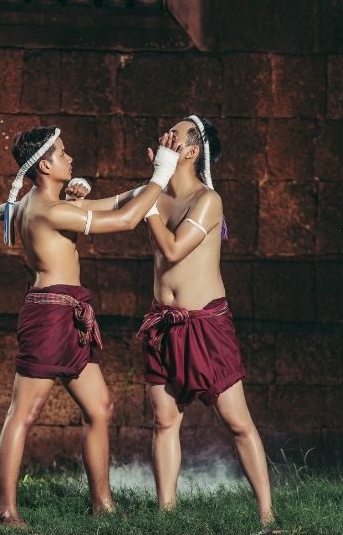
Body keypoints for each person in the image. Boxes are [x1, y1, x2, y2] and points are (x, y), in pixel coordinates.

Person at [0, 125, 182, 527]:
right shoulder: (47, 209)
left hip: (70, 313)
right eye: (63, 153)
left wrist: (148, 184)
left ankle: (103, 504)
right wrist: (161, 173)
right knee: (23, 413)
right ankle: (6, 513)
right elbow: (128, 220)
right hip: (48, 315)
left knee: (100, 408)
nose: (70, 158)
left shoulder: (44, 202)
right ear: (45, 165)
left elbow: (115, 202)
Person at [131, 115, 277, 528]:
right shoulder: (154, 194)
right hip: (162, 323)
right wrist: (69, 198)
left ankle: (267, 516)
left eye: (172, 136)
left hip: (206, 326)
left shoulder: (207, 200)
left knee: (237, 423)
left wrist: (149, 199)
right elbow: (108, 210)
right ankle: (166, 516)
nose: (163, 137)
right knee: (164, 421)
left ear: (191, 151)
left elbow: (175, 249)